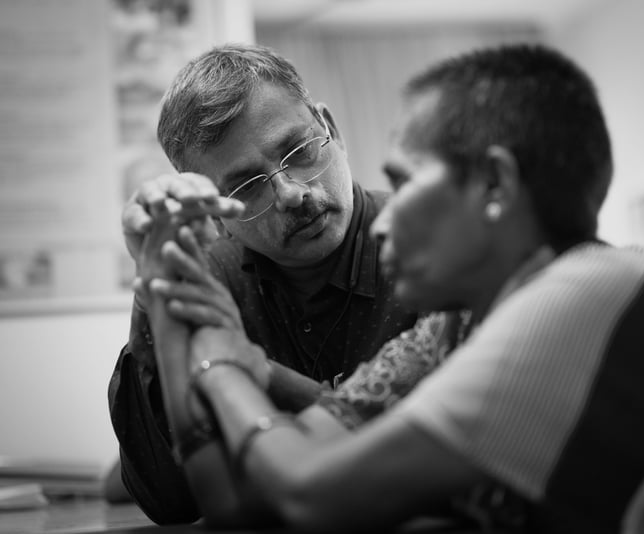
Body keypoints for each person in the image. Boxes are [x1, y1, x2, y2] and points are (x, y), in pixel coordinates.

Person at [142, 43, 644, 532]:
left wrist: (224, 366)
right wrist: (166, 293)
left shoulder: (586, 293)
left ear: (494, 186)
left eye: (405, 181)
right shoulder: (452, 332)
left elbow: (305, 491)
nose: (382, 215)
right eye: (247, 187)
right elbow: (235, 502)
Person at [107, 43, 421, 524]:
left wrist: (254, 372)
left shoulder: (427, 249)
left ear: (330, 129)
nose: (293, 193)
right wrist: (154, 284)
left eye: (297, 151)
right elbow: (170, 500)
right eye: (246, 184)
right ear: (215, 211)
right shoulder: (204, 278)